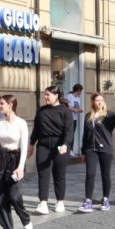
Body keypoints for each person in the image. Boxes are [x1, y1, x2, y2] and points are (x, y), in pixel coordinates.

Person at [0, 94, 32, 229]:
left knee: (14, 195)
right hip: (1, 159)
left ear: (10, 105)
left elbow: (24, 147)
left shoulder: (21, 123)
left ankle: (25, 217)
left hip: (16, 159)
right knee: (1, 194)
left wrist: (21, 167)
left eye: (2, 103)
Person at [29, 86, 73, 214]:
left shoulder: (65, 111)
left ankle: (60, 201)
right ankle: (43, 203)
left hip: (60, 145)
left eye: (48, 95)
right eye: (45, 94)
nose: (45, 97)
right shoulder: (41, 111)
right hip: (43, 145)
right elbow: (36, 129)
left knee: (59, 173)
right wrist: (31, 144)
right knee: (43, 173)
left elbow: (69, 130)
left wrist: (65, 144)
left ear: (56, 95)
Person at [78, 92, 115, 212]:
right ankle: (88, 201)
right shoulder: (89, 116)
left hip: (105, 149)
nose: (99, 102)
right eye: (97, 100)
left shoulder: (109, 115)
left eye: (101, 100)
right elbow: (85, 135)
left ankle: (105, 199)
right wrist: (83, 151)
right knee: (90, 174)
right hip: (90, 149)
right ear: (93, 102)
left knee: (105, 174)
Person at [64, 84, 85, 157]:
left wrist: (79, 110)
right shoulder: (69, 96)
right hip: (68, 118)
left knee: (72, 134)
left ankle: (71, 150)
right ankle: (65, 150)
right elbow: (65, 106)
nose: (81, 92)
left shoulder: (78, 98)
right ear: (78, 90)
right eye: (81, 91)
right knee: (67, 134)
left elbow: (77, 107)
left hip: (74, 119)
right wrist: (73, 110)